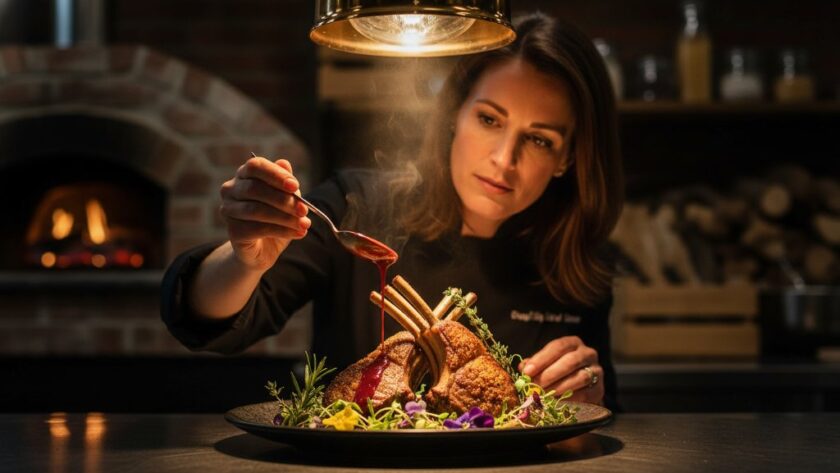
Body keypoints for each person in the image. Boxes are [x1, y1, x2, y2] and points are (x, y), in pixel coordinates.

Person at [161, 12, 623, 409]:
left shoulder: (577, 264)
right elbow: (209, 321)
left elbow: (600, 414)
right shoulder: (355, 208)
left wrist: (587, 392)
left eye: (540, 140)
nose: (505, 158)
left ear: (567, 158)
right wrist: (243, 260)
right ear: (454, 116)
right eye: (489, 119)